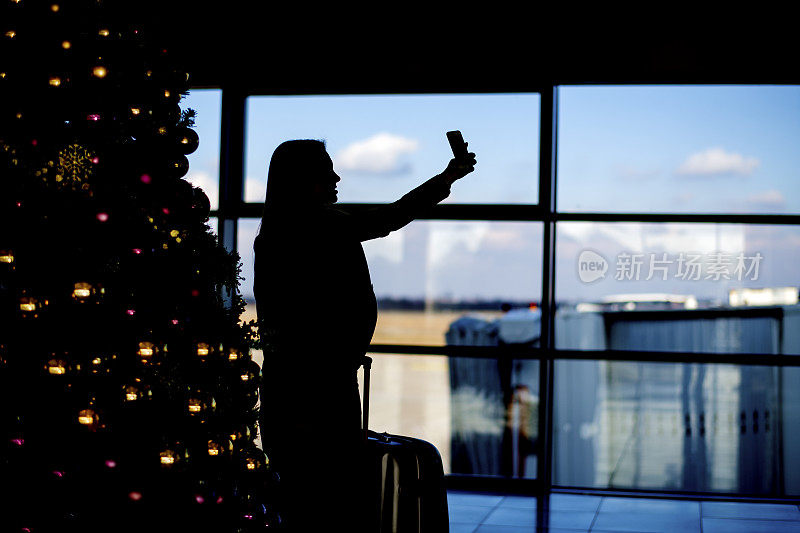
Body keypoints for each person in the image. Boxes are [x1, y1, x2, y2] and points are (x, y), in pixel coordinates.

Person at [254, 138, 476, 531]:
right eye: (326, 170)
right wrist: (446, 179)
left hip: (289, 387)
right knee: (332, 494)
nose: (336, 177)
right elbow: (391, 216)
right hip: (323, 389)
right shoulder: (324, 224)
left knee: (298, 495)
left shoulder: (274, 233)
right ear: (303, 179)